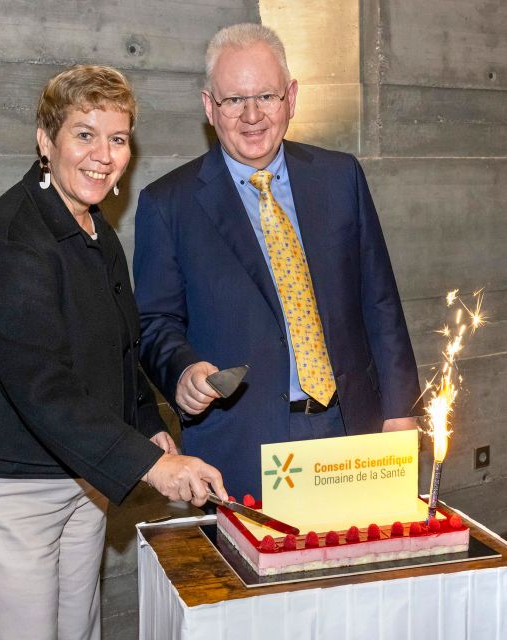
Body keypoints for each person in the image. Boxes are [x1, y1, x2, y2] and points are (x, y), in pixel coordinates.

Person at [0, 65, 226, 640]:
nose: (104, 154)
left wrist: (144, 421)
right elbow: (44, 390)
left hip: (81, 469)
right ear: (46, 140)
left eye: (117, 138)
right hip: (6, 484)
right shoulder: (9, 246)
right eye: (84, 134)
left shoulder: (88, 222)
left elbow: (118, 339)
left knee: (76, 627)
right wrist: (153, 466)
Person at [133, 24, 421, 500]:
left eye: (265, 96)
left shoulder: (340, 177)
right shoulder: (168, 204)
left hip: (353, 429)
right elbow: (155, 321)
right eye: (233, 100)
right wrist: (182, 372)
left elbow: (380, 300)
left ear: (291, 97)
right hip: (243, 445)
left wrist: (400, 410)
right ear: (209, 107)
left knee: (356, 570)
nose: (251, 115)